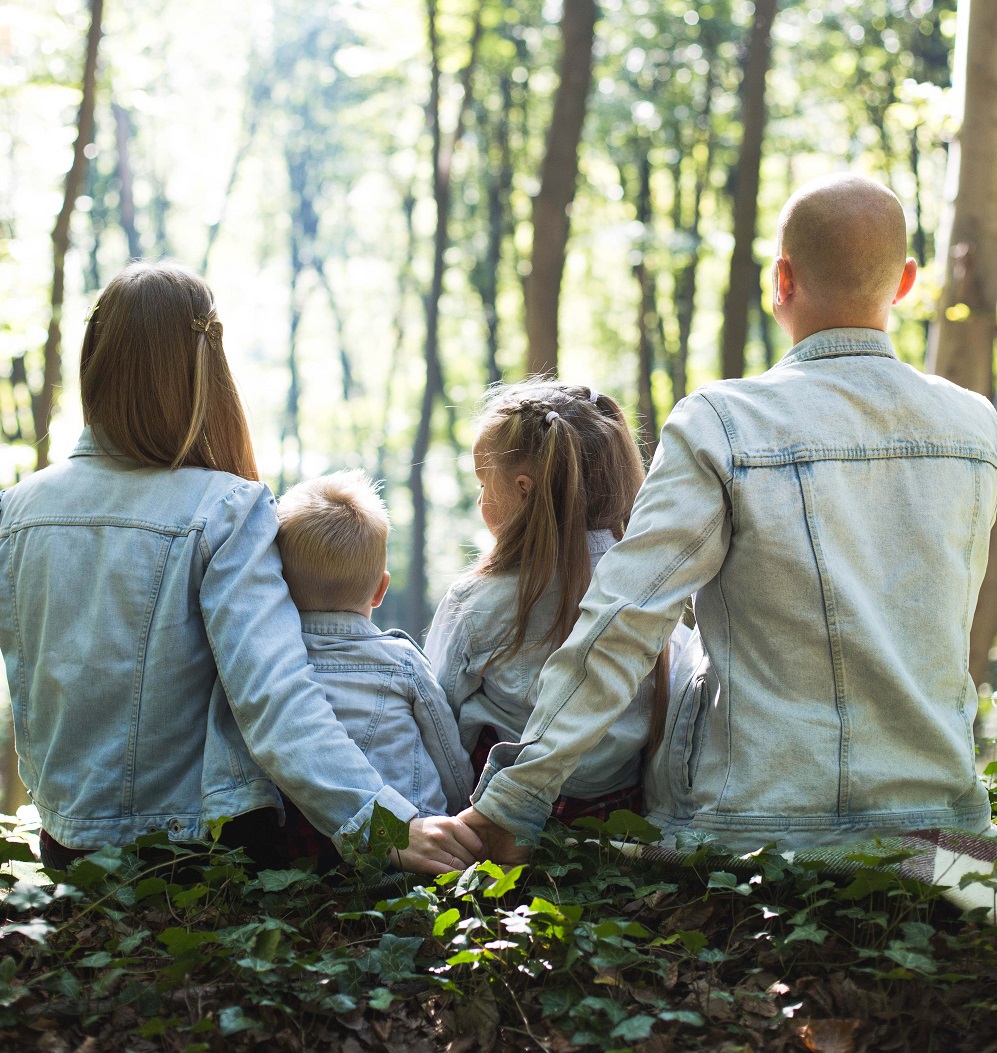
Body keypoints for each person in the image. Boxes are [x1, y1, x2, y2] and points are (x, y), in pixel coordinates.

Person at [458, 174, 997, 860]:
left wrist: (515, 799)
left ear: (780, 279)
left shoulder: (723, 423)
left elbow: (624, 619)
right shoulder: (975, 427)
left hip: (751, 826)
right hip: (941, 828)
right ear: (905, 283)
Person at [0, 261, 480, 875]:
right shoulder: (225, 508)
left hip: (67, 850)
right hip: (195, 856)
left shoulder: (17, 510)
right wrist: (384, 824)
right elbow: (275, 697)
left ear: (95, 358)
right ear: (205, 368)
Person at [425, 380, 690, 824]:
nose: (479, 499)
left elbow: (436, 717)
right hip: (618, 821)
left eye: (484, 483)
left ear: (523, 489)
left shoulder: (476, 602)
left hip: (495, 821)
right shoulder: (653, 594)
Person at [274, 470, 473, 826]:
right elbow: (448, 757)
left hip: (309, 848)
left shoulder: (270, 664)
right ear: (381, 590)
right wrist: (460, 810)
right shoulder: (403, 662)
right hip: (413, 840)